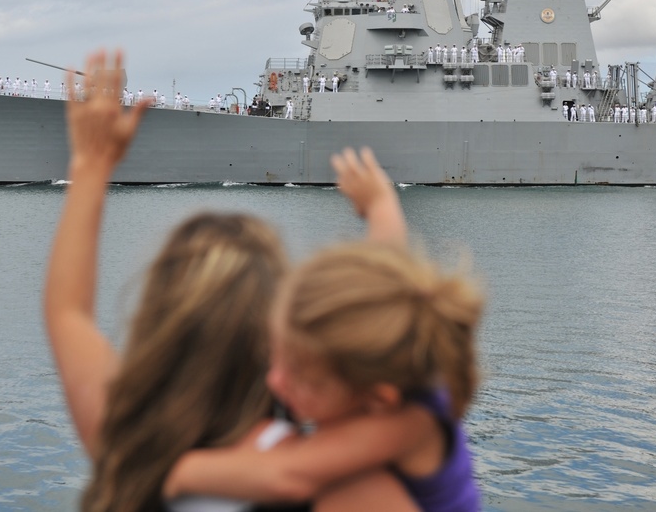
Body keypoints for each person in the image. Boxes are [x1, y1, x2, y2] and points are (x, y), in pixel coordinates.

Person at [45, 51, 414, 512]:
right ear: (280, 340)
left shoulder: (125, 448)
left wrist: (91, 165)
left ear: (158, 323)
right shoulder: (344, 489)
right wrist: (382, 212)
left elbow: (67, 312)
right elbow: (385, 330)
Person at [165, 148, 485, 512]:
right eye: (277, 358)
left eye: (305, 379)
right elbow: (384, 270)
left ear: (378, 398)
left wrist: (175, 472)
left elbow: (289, 475)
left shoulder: (407, 424)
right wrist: (379, 204)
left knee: (345, 492)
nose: (275, 382)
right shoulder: (391, 349)